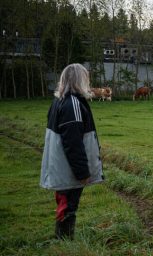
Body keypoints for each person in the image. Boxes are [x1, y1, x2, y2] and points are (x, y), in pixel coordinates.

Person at [40, 63, 104, 240]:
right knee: (69, 207)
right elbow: (73, 143)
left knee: (64, 205)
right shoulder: (72, 104)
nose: (89, 82)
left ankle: (61, 240)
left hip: (59, 166)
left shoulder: (59, 101)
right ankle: (65, 243)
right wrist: (82, 172)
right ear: (79, 80)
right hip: (67, 170)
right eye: (86, 78)